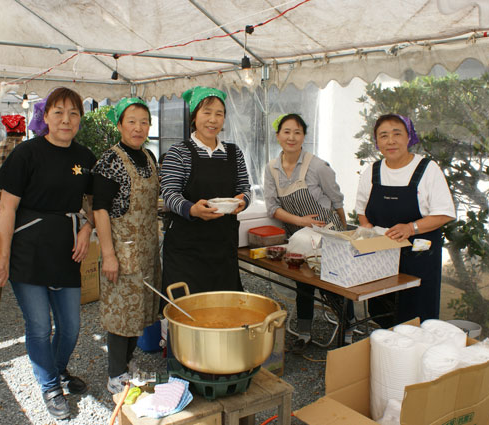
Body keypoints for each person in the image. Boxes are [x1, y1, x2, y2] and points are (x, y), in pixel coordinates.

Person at [0, 87, 96, 420]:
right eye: (58, 112)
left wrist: (86, 228)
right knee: (39, 327)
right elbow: (7, 209)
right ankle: (50, 385)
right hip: (28, 251)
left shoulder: (85, 157)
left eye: (73, 113)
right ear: (45, 116)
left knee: (71, 326)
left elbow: (95, 203)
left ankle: (57, 369)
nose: (66, 120)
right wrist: (3, 257)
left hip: (66, 251)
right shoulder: (27, 153)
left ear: (80, 119)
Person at [356, 114, 455, 328]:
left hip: (418, 258)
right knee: (383, 315)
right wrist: (367, 229)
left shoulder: (428, 169)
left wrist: (411, 228)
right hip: (382, 258)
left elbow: (444, 213)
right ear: (377, 142)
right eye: (383, 135)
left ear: (409, 137)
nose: (391, 141)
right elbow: (361, 210)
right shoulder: (372, 171)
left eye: (397, 134)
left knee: (416, 319)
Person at [264, 113, 351, 353]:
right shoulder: (271, 168)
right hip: (299, 237)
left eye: (297, 132)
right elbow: (272, 207)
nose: (291, 137)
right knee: (303, 284)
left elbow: (336, 201)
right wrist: (300, 221)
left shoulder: (318, 166)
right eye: (287, 132)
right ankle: (304, 332)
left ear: (304, 137)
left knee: (333, 284)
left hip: (328, 235)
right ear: (278, 136)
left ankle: (348, 329)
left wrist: (344, 234)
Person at [92, 97, 161, 394]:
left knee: (140, 310)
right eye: (131, 121)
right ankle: (115, 375)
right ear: (119, 125)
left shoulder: (149, 157)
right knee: (121, 313)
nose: (138, 128)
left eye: (144, 122)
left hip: (147, 248)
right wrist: (108, 254)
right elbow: (99, 209)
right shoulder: (110, 160)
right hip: (121, 248)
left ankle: (128, 363)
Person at [161, 86, 251, 295]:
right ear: (194, 117)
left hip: (223, 246)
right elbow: (169, 194)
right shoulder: (178, 152)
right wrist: (192, 209)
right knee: (186, 308)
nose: (213, 120)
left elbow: (245, 188)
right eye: (207, 112)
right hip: (186, 251)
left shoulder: (234, 152)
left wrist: (243, 201)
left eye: (219, 114)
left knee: (222, 307)